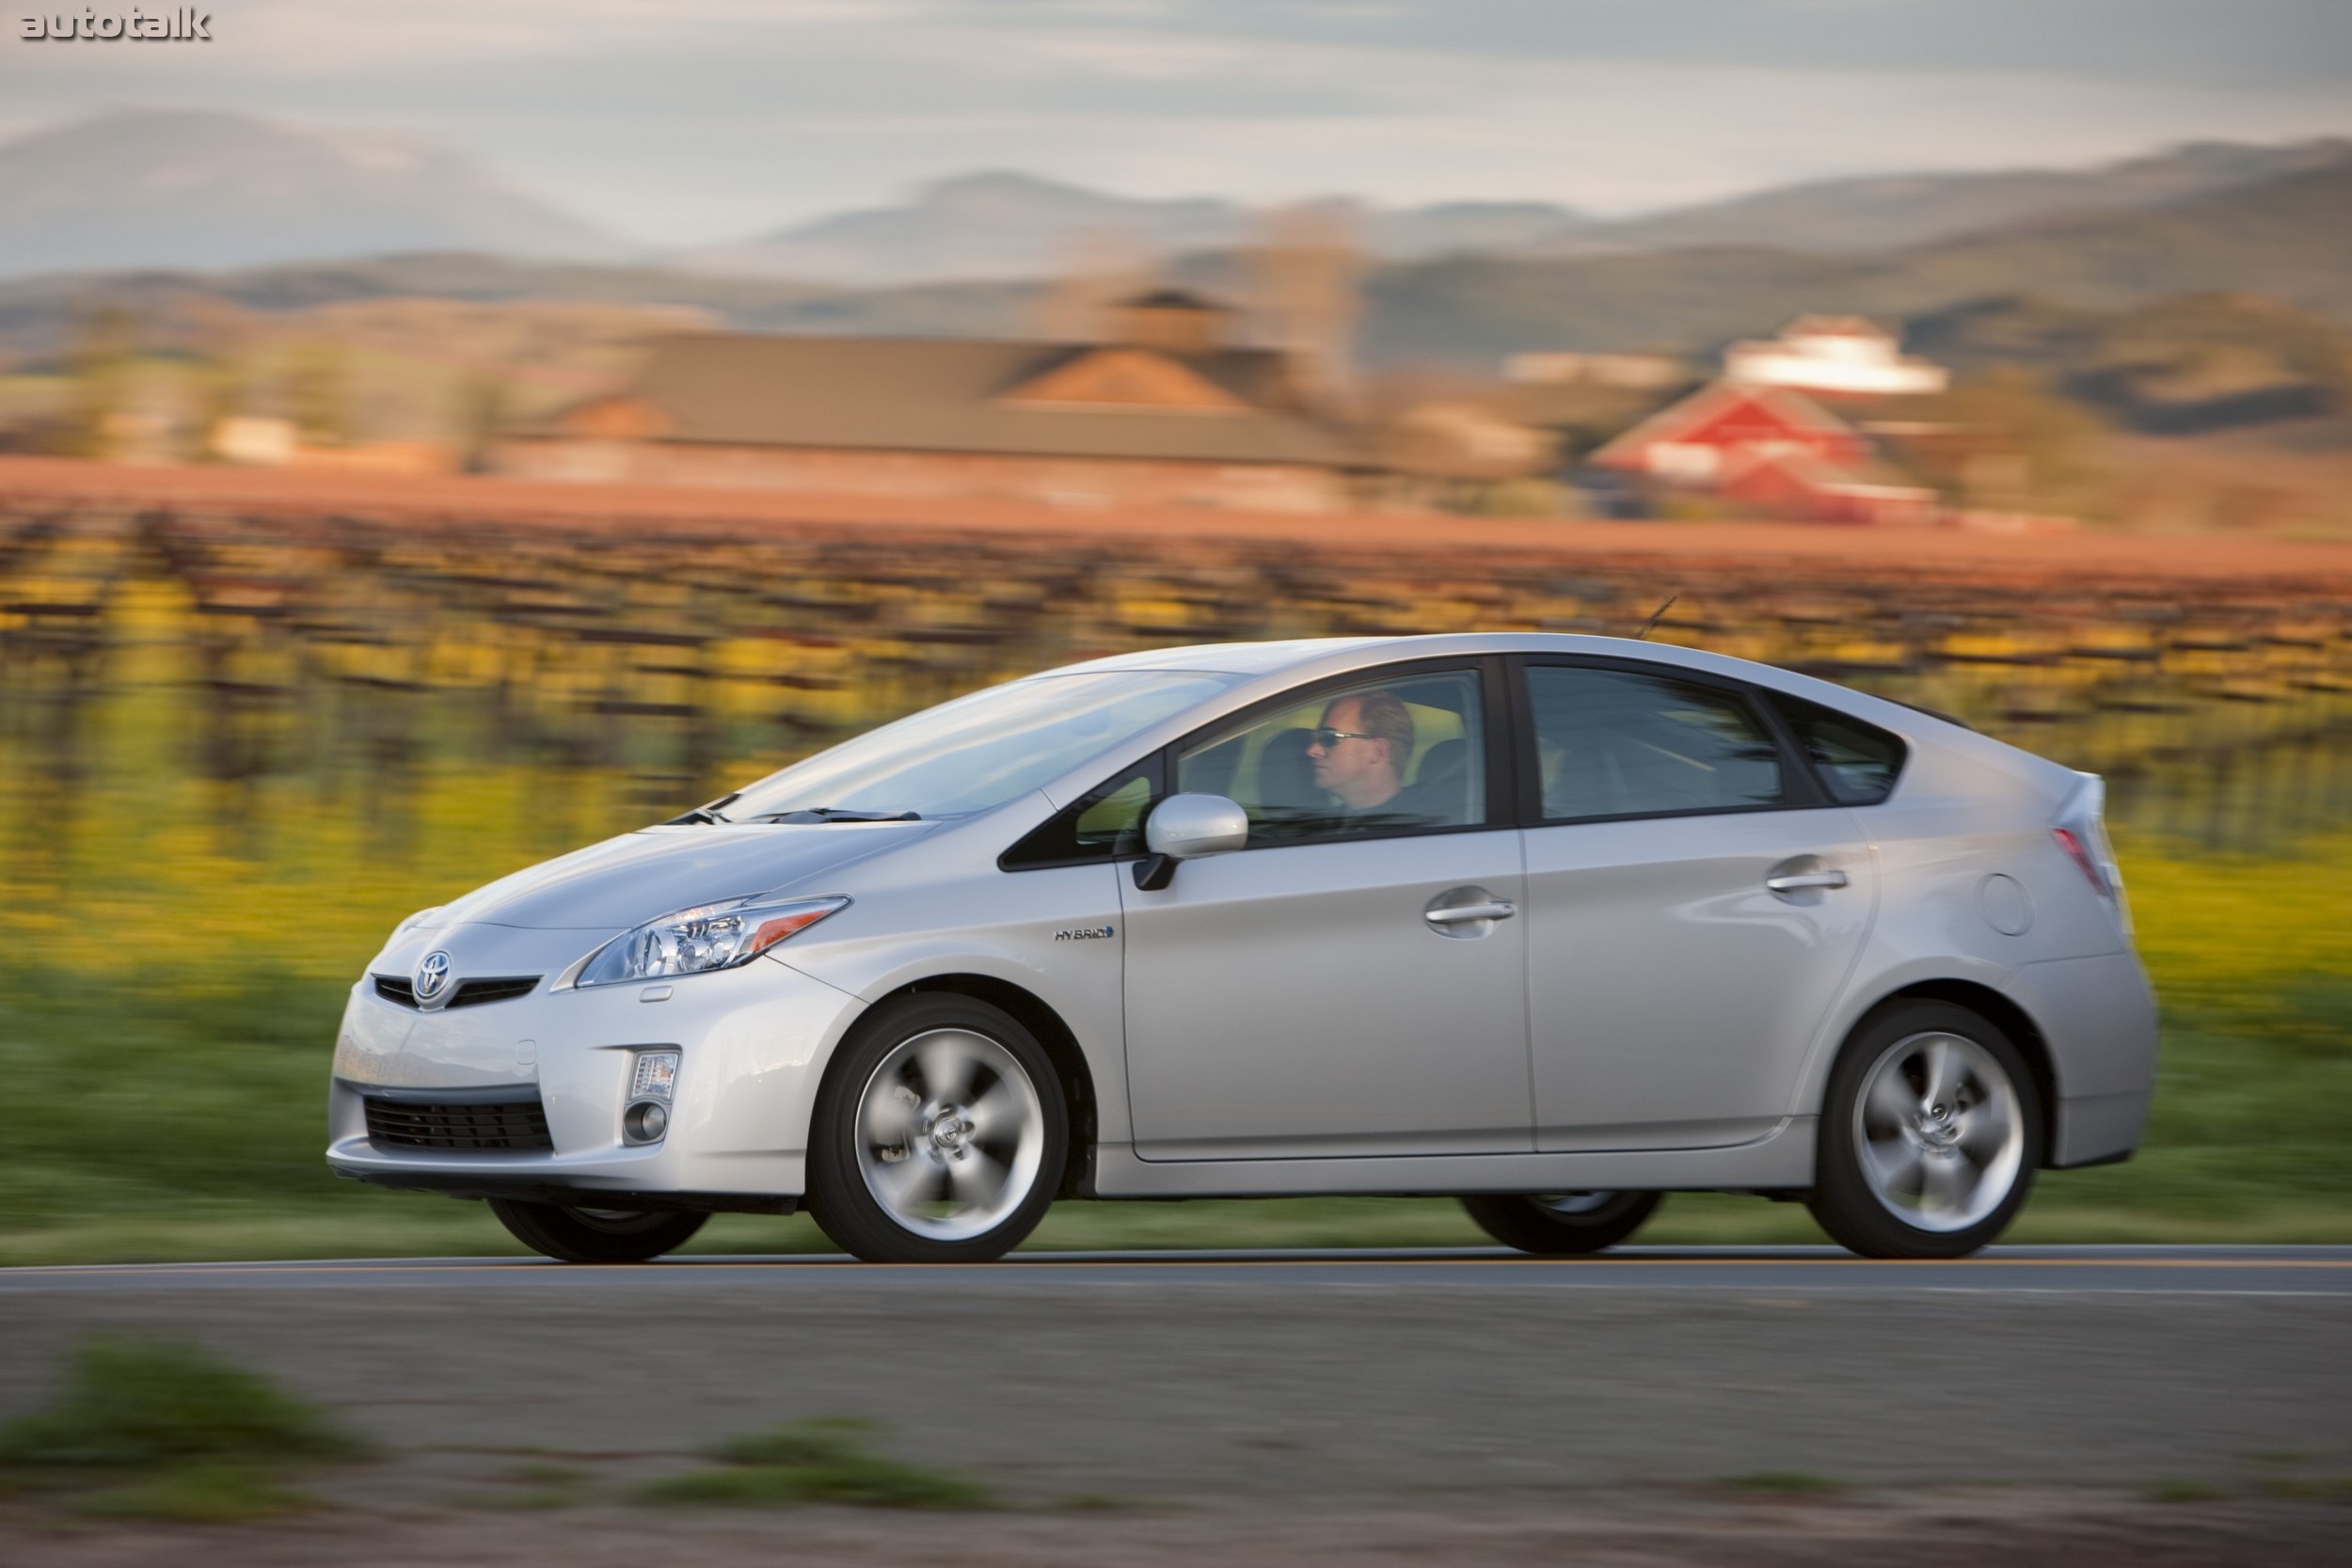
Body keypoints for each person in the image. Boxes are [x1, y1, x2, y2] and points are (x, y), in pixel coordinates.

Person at [1305, 689, 1414, 816]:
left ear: (1378, 751)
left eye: (1329, 737)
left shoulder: (1419, 823)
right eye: (1317, 737)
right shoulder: (1321, 823)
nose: (1312, 750)